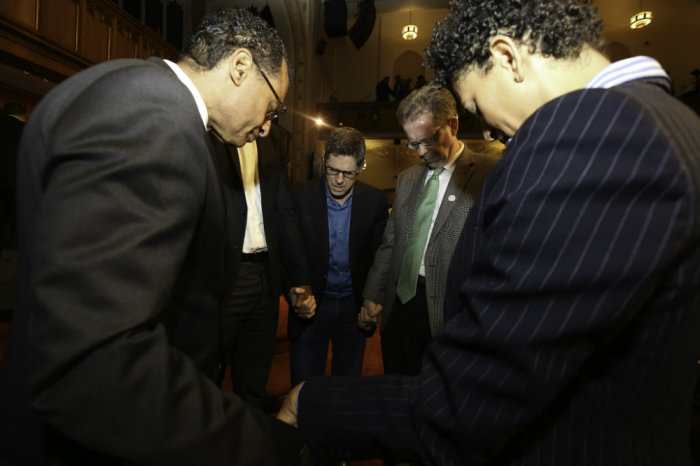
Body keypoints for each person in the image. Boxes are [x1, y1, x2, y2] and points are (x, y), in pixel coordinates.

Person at [277, 1, 700, 465]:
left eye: (476, 105)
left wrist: (311, 403)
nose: (491, 129)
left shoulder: (587, 144)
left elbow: (476, 397)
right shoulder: (675, 122)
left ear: (507, 57)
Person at [0, 8, 305, 466]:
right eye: (273, 106)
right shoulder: (155, 118)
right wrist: (262, 442)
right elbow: (94, 360)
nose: (267, 125)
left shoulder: (121, 85)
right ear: (241, 67)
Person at [360, 83, 498, 376]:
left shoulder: (489, 174)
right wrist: (373, 294)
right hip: (399, 305)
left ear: (453, 124)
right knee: (396, 390)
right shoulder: (408, 178)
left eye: (428, 140)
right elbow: (391, 241)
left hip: (449, 311)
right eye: (413, 143)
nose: (421, 152)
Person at [210, 126, 315, 413]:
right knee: (206, 380)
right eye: (269, 107)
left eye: (274, 112)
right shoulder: (213, 131)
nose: (268, 123)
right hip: (226, 276)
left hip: (267, 275)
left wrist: (301, 279)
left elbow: (284, 211)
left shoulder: (272, 139)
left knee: (254, 383)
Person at [289, 127, 387, 386]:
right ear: (323, 162)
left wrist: (373, 296)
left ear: (362, 167)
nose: (339, 180)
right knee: (304, 388)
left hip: (352, 309)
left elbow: (380, 254)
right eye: (332, 170)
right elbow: (290, 250)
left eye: (348, 173)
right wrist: (294, 289)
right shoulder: (299, 197)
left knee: (347, 389)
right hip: (311, 307)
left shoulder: (374, 200)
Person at [0, 101, 26, 250]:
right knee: (15, 214)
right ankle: (12, 244)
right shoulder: (25, 129)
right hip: (17, 179)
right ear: (23, 116)